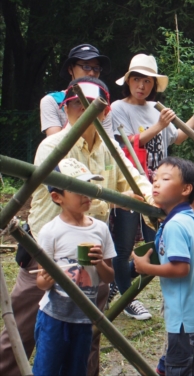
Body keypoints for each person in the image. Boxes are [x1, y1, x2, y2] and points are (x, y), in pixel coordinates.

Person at [0, 77, 153, 376]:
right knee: (22, 329)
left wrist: (152, 205)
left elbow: (137, 181)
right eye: (74, 106)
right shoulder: (53, 147)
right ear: (65, 109)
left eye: (89, 107)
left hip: (90, 251)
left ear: (104, 113)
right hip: (46, 250)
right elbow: (68, 198)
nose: (81, 112)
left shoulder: (109, 148)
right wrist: (115, 199)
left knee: (89, 330)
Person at [109, 53, 194, 320]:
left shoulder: (156, 107)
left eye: (147, 81)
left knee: (153, 241)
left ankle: (116, 283)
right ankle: (127, 298)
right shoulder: (119, 109)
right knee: (123, 244)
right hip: (133, 182)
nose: (142, 86)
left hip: (161, 189)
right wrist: (158, 126)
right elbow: (123, 145)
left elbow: (177, 138)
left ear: (154, 84)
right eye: (137, 79)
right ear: (128, 81)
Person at [32, 159, 117, 375]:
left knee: (77, 370)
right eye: (77, 189)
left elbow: (108, 277)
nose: (85, 194)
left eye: (87, 187)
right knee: (47, 369)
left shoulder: (100, 229)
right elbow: (40, 282)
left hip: (84, 317)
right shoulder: (50, 231)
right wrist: (48, 279)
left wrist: (98, 263)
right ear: (56, 196)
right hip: (54, 316)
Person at [132, 157, 194, 375]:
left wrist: (145, 267)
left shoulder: (175, 225)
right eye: (155, 178)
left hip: (184, 319)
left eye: (165, 179)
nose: (156, 183)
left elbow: (180, 269)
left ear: (186, 188)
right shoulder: (189, 217)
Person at [40, 43, 114, 136]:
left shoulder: (102, 104)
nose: (91, 73)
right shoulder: (52, 101)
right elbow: (55, 144)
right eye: (86, 66)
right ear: (70, 69)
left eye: (96, 68)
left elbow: (108, 144)